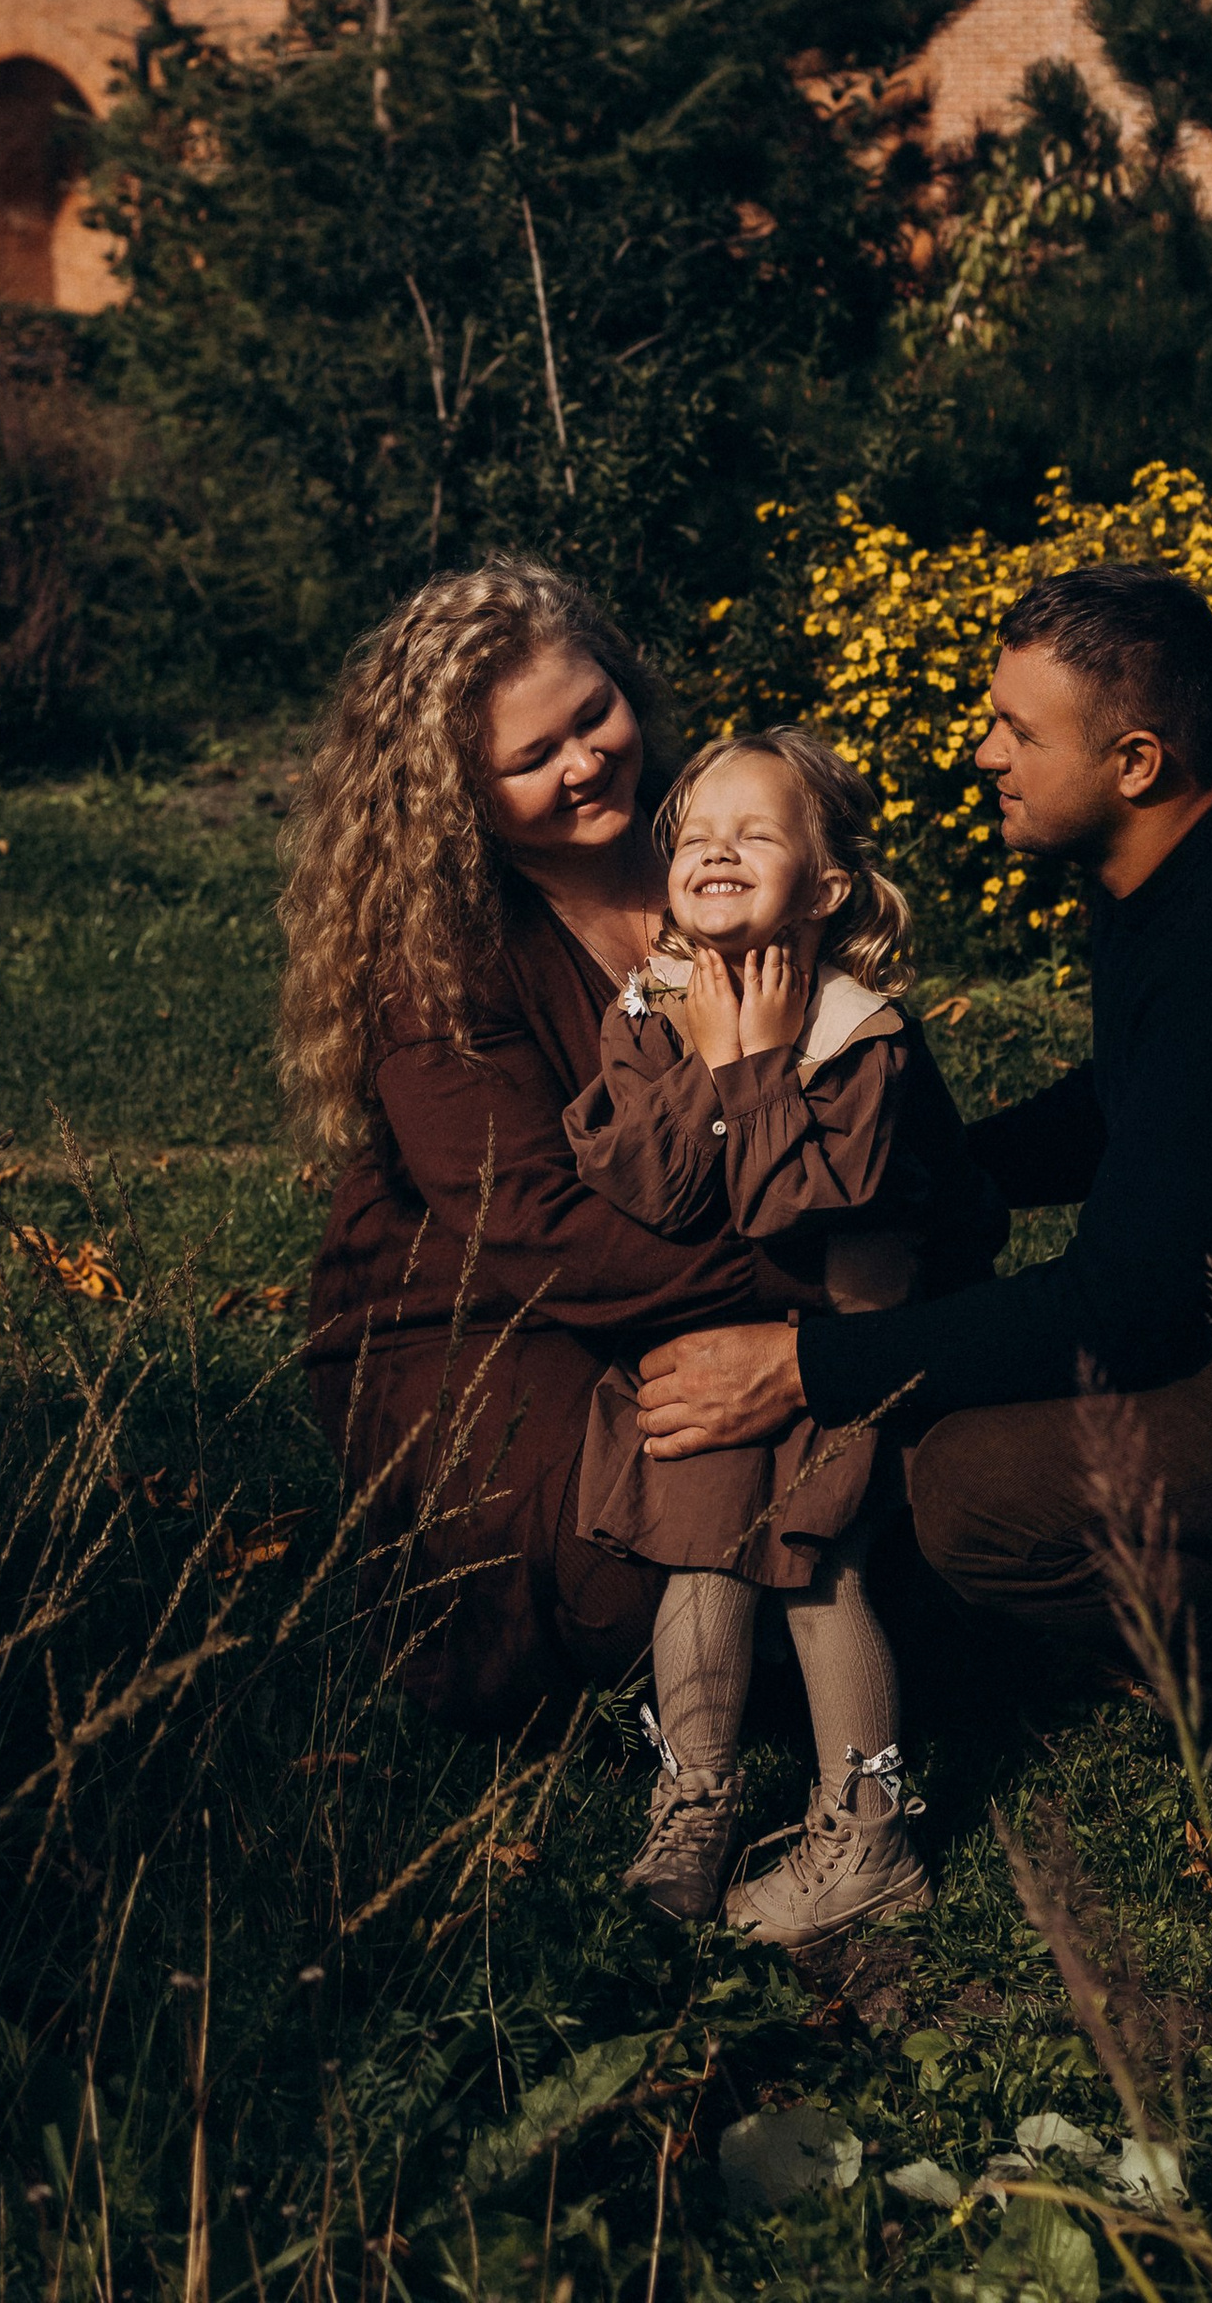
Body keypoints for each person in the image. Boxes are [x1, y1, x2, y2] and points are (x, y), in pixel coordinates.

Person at [633, 561, 1212, 1865]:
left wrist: (803, 1367)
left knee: (973, 1489)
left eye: (1019, 731)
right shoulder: (1194, 856)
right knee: (959, 1405)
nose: (986, 753)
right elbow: (1141, 1096)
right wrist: (949, 1168)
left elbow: (1124, 1308)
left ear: (1133, 758)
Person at [286, 560, 832, 1734]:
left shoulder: (728, 829)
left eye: (594, 717)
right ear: (457, 798)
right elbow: (535, 1229)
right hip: (478, 1314)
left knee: (875, 1467)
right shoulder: (439, 957)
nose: (586, 763)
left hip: (734, 1258)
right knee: (629, 1572)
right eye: (533, 760)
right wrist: (809, 1307)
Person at [567, 728, 985, 1942]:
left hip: (838, 1349)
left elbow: (795, 1203)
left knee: (818, 1572)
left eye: (754, 835)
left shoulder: (860, 1035)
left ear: (829, 883)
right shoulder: (650, 1010)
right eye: (696, 836)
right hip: (721, 1348)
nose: (716, 852)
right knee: (697, 1554)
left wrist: (751, 1071)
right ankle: (693, 1795)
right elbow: (650, 1186)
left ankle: (874, 1831)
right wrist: (709, 1064)